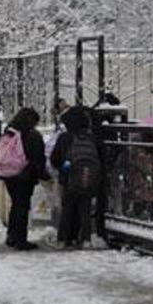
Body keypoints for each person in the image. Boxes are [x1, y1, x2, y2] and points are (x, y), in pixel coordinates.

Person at [50, 106, 102, 249]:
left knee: (67, 209)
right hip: (88, 177)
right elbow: (100, 157)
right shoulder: (92, 138)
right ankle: (85, 239)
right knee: (85, 209)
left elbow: (54, 159)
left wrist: (62, 168)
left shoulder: (64, 138)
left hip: (68, 178)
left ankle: (63, 239)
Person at [0, 107, 49, 252]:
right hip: (25, 175)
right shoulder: (33, 135)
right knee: (22, 206)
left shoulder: (10, 132)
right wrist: (44, 175)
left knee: (15, 204)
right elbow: (38, 158)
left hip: (9, 174)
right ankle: (20, 240)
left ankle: (11, 236)